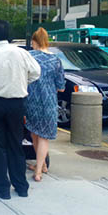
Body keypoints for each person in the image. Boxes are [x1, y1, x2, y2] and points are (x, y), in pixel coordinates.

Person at [0, 20, 41, 200]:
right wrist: (21, 81)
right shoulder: (21, 53)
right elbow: (36, 72)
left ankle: (2, 188)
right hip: (17, 103)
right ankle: (21, 186)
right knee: (15, 144)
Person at [25, 27, 65, 182]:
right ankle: (40, 169)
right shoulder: (56, 60)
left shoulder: (29, 56)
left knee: (34, 132)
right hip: (48, 101)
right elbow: (61, 86)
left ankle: (39, 167)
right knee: (44, 137)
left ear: (34, 42)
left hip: (31, 100)